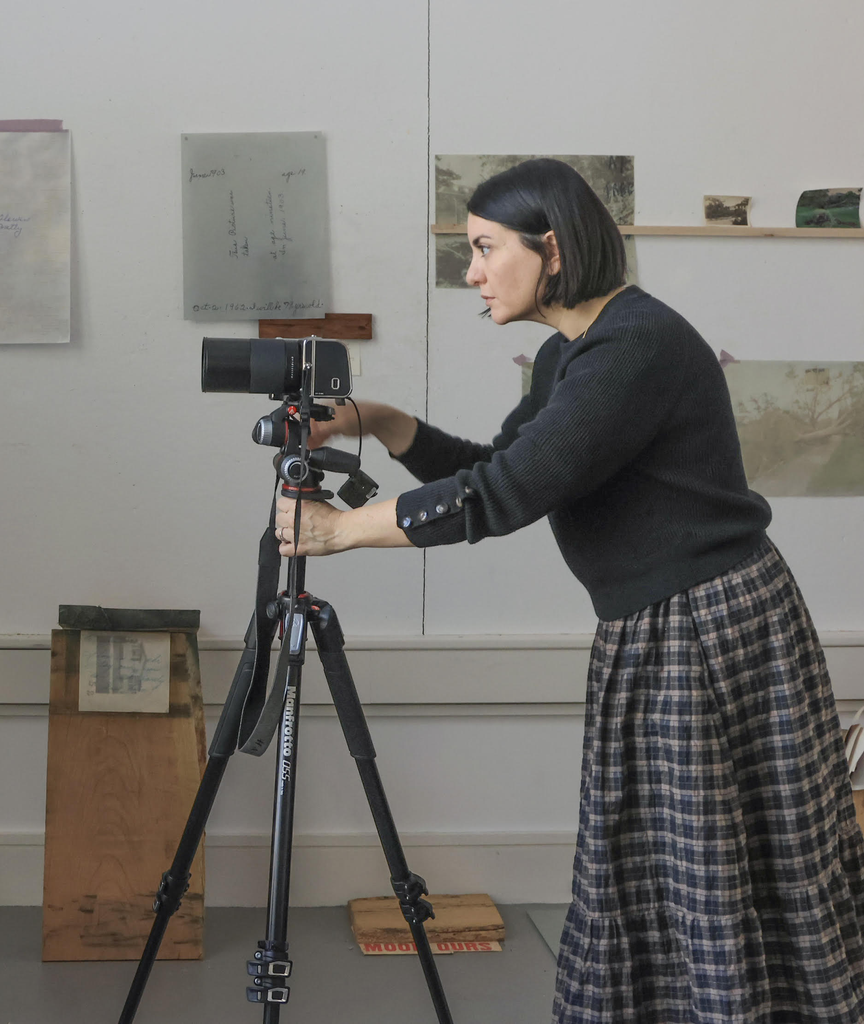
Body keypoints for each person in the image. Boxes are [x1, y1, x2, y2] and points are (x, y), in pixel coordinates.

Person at [274, 159, 864, 1023]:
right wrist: (385, 422)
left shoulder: (637, 345)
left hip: (707, 625)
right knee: (665, 863)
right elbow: (500, 465)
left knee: (709, 864)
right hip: (661, 625)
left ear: (550, 250)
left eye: (485, 249)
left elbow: (509, 493)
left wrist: (341, 530)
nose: (471, 273)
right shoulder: (570, 353)